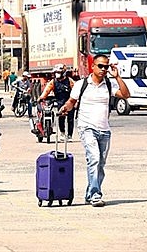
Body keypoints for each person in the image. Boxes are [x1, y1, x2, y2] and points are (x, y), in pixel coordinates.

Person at [58, 54, 129, 207]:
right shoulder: (82, 84)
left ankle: (90, 193)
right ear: (93, 66)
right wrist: (65, 108)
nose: (104, 69)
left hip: (104, 130)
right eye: (101, 66)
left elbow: (125, 95)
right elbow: (71, 102)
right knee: (94, 158)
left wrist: (117, 77)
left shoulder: (108, 85)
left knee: (101, 164)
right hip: (86, 127)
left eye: (106, 66)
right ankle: (96, 195)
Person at [38, 64, 75, 140]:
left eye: (58, 72)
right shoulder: (53, 82)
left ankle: (70, 135)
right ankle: (62, 133)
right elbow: (47, 90)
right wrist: (42, 97)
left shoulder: (70, 81)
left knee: (70, 119)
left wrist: (76, 101)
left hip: (70, 101)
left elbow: (76, 91)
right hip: (60, 101)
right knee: (61, 118)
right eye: (56, 72)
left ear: (63, 72)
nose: (57, 74)